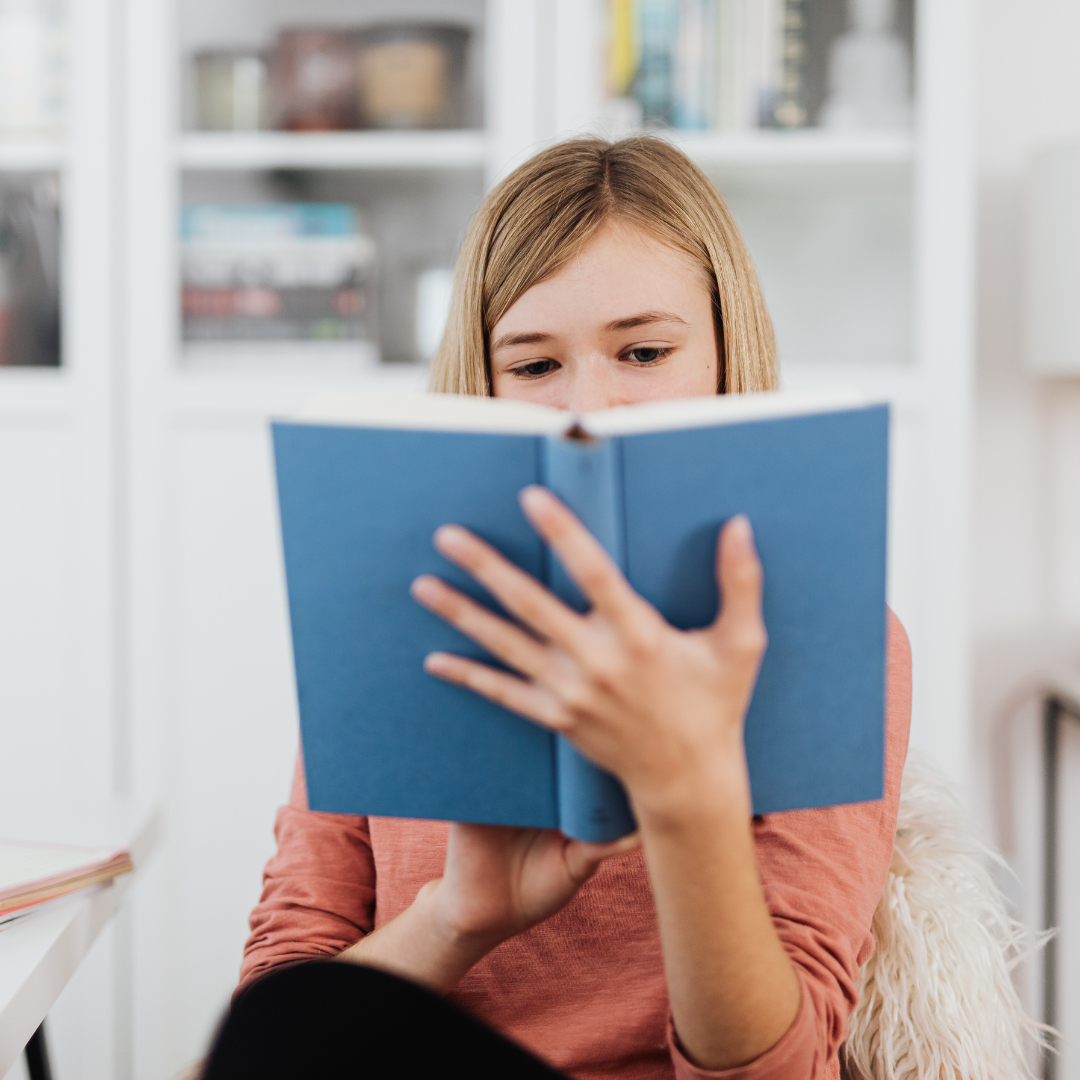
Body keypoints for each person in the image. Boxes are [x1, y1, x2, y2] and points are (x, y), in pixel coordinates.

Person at [232, 137, 911, 1080]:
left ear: (724, 353)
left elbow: (780, 1070)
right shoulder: (397, 627)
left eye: (643, 351)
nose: (588, 407)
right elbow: (273, 1018)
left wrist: (686, 800)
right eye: (534, 365)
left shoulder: (832, 641)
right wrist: (455, 918)